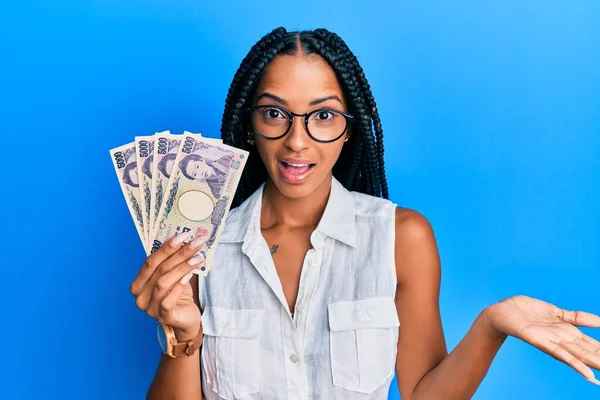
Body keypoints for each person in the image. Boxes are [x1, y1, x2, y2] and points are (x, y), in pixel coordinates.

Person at [129, 27, 600, 400]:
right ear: (249, 125)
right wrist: (183, 338)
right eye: (275, 114)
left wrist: (493, 324)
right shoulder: (197, 248)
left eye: (324, 115)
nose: (298, 140)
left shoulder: (402, 238)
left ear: (351, 128)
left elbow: (423, 395)